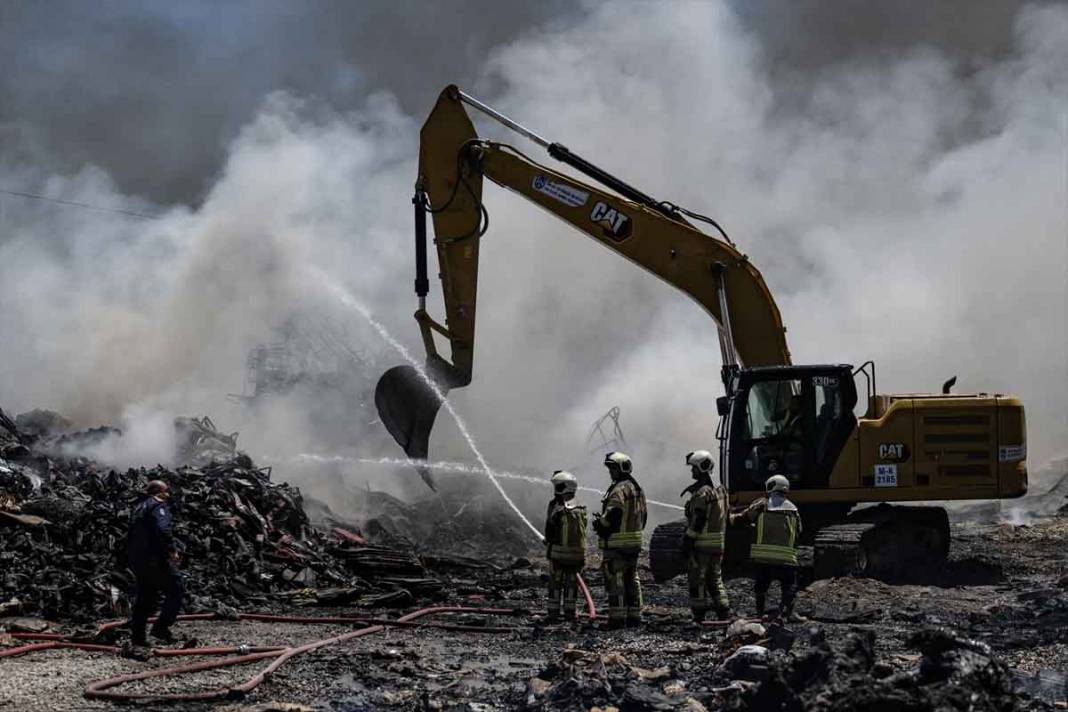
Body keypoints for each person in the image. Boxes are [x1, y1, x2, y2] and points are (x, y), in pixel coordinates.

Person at [731, 474, 804, 622]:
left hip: (764, 558)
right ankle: (789, 613)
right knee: (789, 586)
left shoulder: (762, 504)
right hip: (787, 559)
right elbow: (799, 531)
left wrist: (729, 516)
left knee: (761, 587)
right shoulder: (793, 510)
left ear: (770, 486)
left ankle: (760, 613)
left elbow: (743, 519)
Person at [592, 452, 647, 629]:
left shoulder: (619, 489)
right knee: (632, 579)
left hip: (617, 544)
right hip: (634, 543)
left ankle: (616, 620)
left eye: (613, 468)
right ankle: (634, 618)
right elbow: (644, 516)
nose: (610, 472)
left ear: (622, 468)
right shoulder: (637, 489)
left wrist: (600, 524)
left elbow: (614, 513)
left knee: (614, 580)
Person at [127, 480, 183, 645]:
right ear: (159, 492)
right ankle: (161, 627)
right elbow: (163, 529)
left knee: (145, 596)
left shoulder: (139, 507)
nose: (169, 494)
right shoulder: (158, 505)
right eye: (166, 491)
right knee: (176, 588)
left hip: (138, 560)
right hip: (155, 559)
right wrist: (172, 550)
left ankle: (138, 637)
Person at [680, 450, 731, 622]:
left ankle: (699, 616)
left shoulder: (703, 493)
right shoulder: (721, 490)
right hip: (718, 544)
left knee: (697, 581)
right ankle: (724, 613)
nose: (691, 472)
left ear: (701, 468)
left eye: (693, 468)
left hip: (702, 545)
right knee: (715, 580)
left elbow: (699, 519)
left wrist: (688, 540)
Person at [544, 470, 587, 622]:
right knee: (571, 584)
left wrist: (548, 540)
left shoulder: (556, 505)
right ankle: (570, 612)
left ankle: (553, 613)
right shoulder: (581, 505)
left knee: (555, 583)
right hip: (577, 555)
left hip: (559, 554)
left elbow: (550, 527)